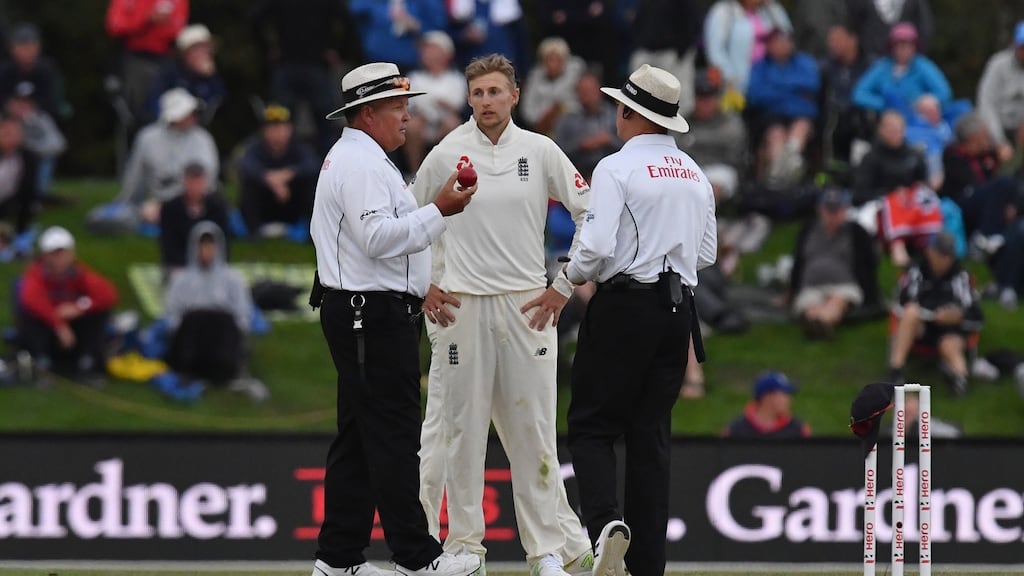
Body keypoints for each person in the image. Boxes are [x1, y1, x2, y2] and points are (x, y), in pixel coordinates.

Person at [411, 53, 592, 576]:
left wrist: (564, 285)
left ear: (515, 95)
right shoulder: (447, 152)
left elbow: (592, 212)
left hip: (526, 306)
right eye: (478, 93)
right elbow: (406, 221)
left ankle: (546, 552)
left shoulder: (539, 151)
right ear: (468, 98)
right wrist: (423, 283)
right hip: (462, 308)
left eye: (496, 92)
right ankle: (465, 548)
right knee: (462, 430)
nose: (486, 102)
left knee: (534, 429)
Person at [307, 61, 479, 576]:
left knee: (361, 439)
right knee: (393, 435)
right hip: (369, 316)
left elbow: (377, 244)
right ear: (368, 112)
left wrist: (417, 284)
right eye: (398, 106)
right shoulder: (360, 164)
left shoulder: (365, 159)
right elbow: (378, 239)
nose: (408, 116)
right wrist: (441, 209)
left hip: (369, 309)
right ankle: (417, 558)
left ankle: (337, 561)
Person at [563, 64, 717, 576]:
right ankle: (649, 565)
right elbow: (708, 253)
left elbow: (597, 247)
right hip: (678, 309)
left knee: (591, 424)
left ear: (630, 113)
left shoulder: (616, 168)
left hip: (626, 304)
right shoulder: (695, 174)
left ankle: (607, 524)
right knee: (650, 437)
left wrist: (571, 275)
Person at [17, 227, 118, 386]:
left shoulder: (79, 273)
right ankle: (41, 363)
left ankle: (87, 362)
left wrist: (80, 307)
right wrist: (58, 324)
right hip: (49, 327)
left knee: (99, 314)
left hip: (73, 325)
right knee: (28, 315)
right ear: (45, 256)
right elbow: (32, 300)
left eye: (63, 253)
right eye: (54, 254)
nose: (60, 259)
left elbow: (107, 294)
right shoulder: (36, 275)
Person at [887, 232, 983, 396]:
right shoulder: (916, 271)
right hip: (921, 326)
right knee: (911, 313)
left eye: (948, 255)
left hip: (950, 330)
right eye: (941, 254)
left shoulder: (961, 277)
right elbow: (901, 303)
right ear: (930, 252)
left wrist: (958, 315)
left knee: (949, 345)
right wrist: (929, 312)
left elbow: (977, 317)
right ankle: (895, 371)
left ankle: (960, 379)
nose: (944, 260)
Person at [786, 188, 881, 339]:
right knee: (811, 305)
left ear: (845, 211)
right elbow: (798, 262)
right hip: (811, 284)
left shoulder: (857, 233)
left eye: (837, 211)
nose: (832, 216)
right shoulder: (808, 229)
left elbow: (869, 266)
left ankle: (820, 324)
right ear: (820, 210)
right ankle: (819, 323)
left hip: (844, 284)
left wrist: (871, 296)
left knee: (837, 301)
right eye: (828, 211)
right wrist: (791, 291)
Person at [163, 222, 250, 384]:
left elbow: (242, 315)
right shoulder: (180, 279)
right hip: (191, 336)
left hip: (220, 335)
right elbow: (171, 314)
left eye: (210, 247)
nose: (206, 252)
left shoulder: (233, 280)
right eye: (202, 247)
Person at [117, 87, 219, 224]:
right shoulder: (147, 139)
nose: (192, 116)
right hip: (160, 201)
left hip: (196, 201)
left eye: (192, 112)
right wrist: (127, 202)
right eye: (188, 112)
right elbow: (136, 176)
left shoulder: (203, 139)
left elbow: (208, 180)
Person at [746, 28, 820, 187]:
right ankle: (780, 176)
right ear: (769, 45)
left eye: (786, 41)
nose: (783, 45)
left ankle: (787, 165)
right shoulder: (760, 67)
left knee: (801, 127)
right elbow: (755, 94)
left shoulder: (804, 62)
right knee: (776, 134)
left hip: (800, 113)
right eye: (777, 42)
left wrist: (776, 87)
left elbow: (812, 84)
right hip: (771, 116)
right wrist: (792, 91)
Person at [237, 103, 318, 237]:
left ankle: (312, 233)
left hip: (292, 206)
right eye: (271, 128)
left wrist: (288, 174)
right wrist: (270, 180)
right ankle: (254, 234)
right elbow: (246, 166)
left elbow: (312, 165)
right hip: (265, 207)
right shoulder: (255, 148)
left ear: (290, 129)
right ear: (263, 130)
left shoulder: (299, 147)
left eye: (280, 127)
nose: (276, 132)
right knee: (249, 186)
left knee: (310, 184)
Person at [105, 0, 189, 125]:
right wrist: (147, 21)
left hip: (166, 60)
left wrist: (160, 25)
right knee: (138, 112)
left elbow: (178, 30)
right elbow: (114, 26)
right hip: (135, 59)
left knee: (171, 108)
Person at [851, 23, 951, 117]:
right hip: (889, 121)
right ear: (892, 47)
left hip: (918, 118)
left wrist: (925, 101)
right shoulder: (882, 67)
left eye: (908, 45)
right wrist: (886, 105)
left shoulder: (923, 66)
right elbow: (859, 94)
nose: (903, 50)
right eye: (899, 45)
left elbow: (944, 93)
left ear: (914, 47)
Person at [405, 31, 467, 174]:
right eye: (425, 50)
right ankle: (415, 173)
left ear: (446, 54)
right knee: (412, 126)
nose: (428, 54)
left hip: (444, 124)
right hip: (422, 122)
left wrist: (429, 102)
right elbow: (412, 104)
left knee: (452, 124)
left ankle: (448, 173)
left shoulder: (456, 78)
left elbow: (456, 104)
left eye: (433, 50)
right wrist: (436, 103)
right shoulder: (414, 77)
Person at [702, 0, 793, 95]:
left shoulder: (769, 10)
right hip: (735, 83)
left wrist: (773, 6)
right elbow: (715, 50)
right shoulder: (724, 10)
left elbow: (786, 34)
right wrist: (729, 77)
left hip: (768, 83)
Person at [146, 23, 226, 125]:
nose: (203, 53)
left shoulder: (209, 76)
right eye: (197, 49)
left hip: (196, 131)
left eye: (206, 48)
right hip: (167, 128)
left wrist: (211, 77)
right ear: (184, 53)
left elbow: (217, 104)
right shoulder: (169, 73)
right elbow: (154, 105)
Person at [159, 162, 230, 276]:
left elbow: (223, 242)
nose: (196, 186)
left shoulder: (217, 207)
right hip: (181, 264)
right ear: (185, 182)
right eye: (192, 181)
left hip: (211, 264)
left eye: (199, 181)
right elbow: (169, 247)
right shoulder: (170, 209)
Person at [554, 70, 622, 180]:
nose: (586, 95)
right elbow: (557, 151)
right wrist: (580, 145)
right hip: (578, 175)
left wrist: (610, 140)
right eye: (582, 91)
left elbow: (628, 147)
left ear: (599, 90)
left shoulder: (614, 116)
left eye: (590, 90)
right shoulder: (568, 119)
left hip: (612, 174)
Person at [4, 82, 66, 196]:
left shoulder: (41, 120)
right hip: (7, 158)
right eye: (19, 101)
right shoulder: (4, 120)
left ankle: (38, 193)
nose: (22, 105)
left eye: (26, 102)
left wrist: (32, 149)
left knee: (42, 159)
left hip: (33, 158)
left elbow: (58, 144)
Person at [976, 21, 1024, 164]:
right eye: (1022, 47)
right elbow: (986, 104)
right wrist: (999, 141)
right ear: (1015, 44)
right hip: (998, 127)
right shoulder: (998, 64)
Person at [520, 37, 585, 135]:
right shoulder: (535, 77)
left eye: (557, 59)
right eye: (549, 59)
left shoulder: (576, 74)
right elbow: (528, 111)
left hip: (574, 127)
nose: (552, 64)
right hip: (542, 129)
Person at [0, 23, 63, 120]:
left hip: (40, 120)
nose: (26, 51)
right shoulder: (5, 70)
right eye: (21, 46)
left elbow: (54, 101)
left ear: (38, 47)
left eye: (30, 45)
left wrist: (33, 105)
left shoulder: (47, 70)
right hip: (8, 120)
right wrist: (10, 105)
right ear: (12, 48)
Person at [722, 372, 811, 438]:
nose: (789, 399)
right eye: (785, 394)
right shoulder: (737, 429)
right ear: (767, 397)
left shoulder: (798, 430)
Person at [0, 113, 39, 234]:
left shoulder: (28, 158)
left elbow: (28, 192)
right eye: (6, 132)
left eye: (14, 132)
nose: (10, 137)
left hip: (10, 204)